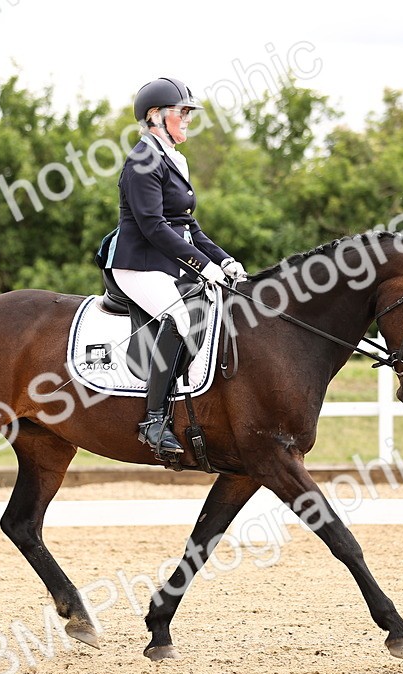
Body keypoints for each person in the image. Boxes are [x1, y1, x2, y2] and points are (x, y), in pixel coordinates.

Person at [105, 77, 247, 458]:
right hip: (137, 265)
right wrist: (201, 265)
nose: (186, 119)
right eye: (181, 112)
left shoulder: (173, 158)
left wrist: (223, 259)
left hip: (165, 264)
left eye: (187, 113)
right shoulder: (142, 161)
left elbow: (188, 226)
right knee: (180, 319)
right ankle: (153, 421)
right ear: (155, 116)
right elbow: (153, 226)